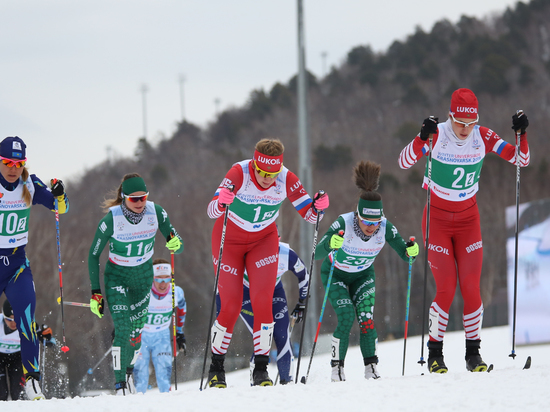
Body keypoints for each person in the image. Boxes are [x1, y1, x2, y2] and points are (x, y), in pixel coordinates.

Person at [398, 88, 530, 373]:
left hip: (469, 220)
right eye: (460, 123)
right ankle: (435, 354)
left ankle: (473, 355)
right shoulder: (437, 135)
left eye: (470, 123)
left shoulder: (482, 136)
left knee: (472, 288)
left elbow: (520, 159)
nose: (465, 129)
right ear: (450, 116)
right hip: (437, 221)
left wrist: (522, 135)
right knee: (446, 287)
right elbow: (404, 161)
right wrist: (421, 137)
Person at [206, 138, 329, 388]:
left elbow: (309, 214)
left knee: (264, 301)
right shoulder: (238, 172)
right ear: (254, 164)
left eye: (272, 174)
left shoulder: (287, 178)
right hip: (228, 241)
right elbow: (211, 211)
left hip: (263, 240)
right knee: (231, 304)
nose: (266, 179)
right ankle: (216, 368)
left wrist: (319, 208)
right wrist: (221, 202)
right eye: (262, 173)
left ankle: (261, 369)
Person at [315, 160, 418, 382]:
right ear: (358, 216)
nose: (372, 227)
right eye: (366, 221)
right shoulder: (344, 223)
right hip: (336, 274)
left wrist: (412, 252)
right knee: (346, 317)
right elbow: (317, 253)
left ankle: (371, 367)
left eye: (376, 222)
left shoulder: (385, 227)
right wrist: (330, 243)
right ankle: (337, 369)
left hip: (363, 276)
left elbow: (405, 252)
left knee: (366, 318)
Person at [87, 173, 183, 395]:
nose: (140, 203)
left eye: (143, 198)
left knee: (136, 335)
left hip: (142, 278)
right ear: (123, 198)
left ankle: (129, 373)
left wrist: (176, 243)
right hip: (117, 277)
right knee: (122, 329)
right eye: (134, 199)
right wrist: (95, 292)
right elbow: (93, 256)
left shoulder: (156, 212)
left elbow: (176, 243)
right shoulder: (111, 220)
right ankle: (120, 384)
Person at [0, 136, 68, 400]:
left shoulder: (29, 183)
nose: (13, 168)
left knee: (26, 319)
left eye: (18, 163)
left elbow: (61, 207)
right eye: (7, 162)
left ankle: (32, 381)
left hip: (17, 264)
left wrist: (61, 194)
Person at [238, 237, 309, 385]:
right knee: (263, 333)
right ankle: (258, 376)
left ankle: (286, 381)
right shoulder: (246, 252)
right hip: (246, 293)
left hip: (273, 292)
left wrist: (302, 302)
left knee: (281, 334)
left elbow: (303, 275)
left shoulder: (286, 254)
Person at [133, 258, 187, 393]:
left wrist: (179, 332)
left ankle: (167, 405)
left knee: (164, 375)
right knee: (141, 378)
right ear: (152, 278)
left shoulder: (176, 292)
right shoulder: (142, 292)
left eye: (166, 278)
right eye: (158, 279)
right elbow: (127, 310)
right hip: (141, 335)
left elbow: (182, 308)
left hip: (162, 335)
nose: (163, 283)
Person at [0, 299, 56, 401]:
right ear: (3, 317)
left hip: (17, 357)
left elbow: (51, 341)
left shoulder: (27, 323)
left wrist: (47, 336)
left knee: (17, 392)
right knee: (1, 393)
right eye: (9, 319)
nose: (13, 323)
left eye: (16, 319)